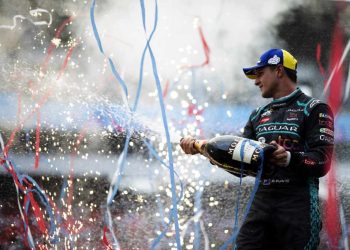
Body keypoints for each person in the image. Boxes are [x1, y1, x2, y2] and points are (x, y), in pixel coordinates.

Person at [180, 48, 334, 249]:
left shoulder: (314, 109)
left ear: (279, 71)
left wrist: (288, 157)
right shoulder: (257, 115)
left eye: (260, 73)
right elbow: (240, 165)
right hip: (261, 203)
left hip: (298, 206)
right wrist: (204, 150)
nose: (255, 81)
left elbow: (323, 161)